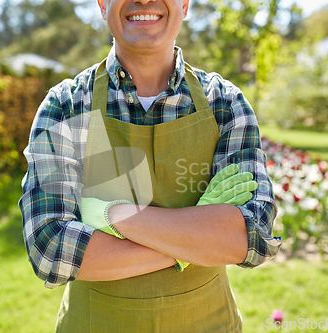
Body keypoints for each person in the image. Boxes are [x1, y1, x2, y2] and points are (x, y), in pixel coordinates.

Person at [19, 0, 282, 331]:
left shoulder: (225, 104)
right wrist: (198, 237)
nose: (144, 0)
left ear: (184, 4)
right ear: (103, 4)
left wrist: (110, 217)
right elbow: (51, 250)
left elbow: (254, 236)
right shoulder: (66, 106)